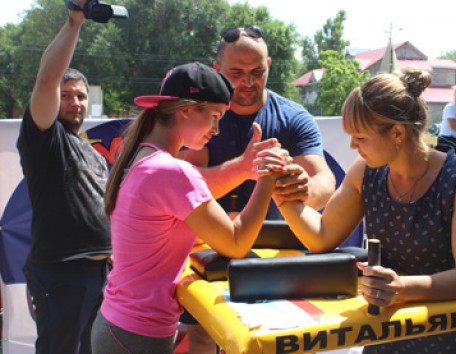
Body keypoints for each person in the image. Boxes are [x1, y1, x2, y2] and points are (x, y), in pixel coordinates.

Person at [275, 68, 456, 353]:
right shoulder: (366, 171)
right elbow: (322, 236)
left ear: (397, 133)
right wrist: (282, 194)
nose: (353, 146)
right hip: (393, 335)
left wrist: (401, 288)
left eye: (360, 138)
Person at [90, 62, 287, 354]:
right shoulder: (172, 171)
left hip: (121, 327)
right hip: (136, 335)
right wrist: (267, 178)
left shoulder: (145, 158)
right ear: (186, 109)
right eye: (215, 117)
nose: (217, 130)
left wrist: (245, 169)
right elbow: (236, 242)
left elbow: (189, 209)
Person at [178, 26, 336, 353]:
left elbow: (325, 183)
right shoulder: (200, 116)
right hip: (209, 250)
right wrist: (243, 168)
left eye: (258, 72)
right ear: (217, 68)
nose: (248, 82)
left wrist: (302, 188)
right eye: (237, 73)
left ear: (270, 66)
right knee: (204, 336)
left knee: (273, 337)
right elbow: (185, 184)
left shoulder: (294, 117)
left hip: (277, 255)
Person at [16, 2, 111, 353]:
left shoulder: (90, 151)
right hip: (62, 276)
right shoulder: (45, 138)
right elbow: (46, 79)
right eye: (66, 95)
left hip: (101, 276)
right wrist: (75, 22)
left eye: (81, 96)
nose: (75, 102)